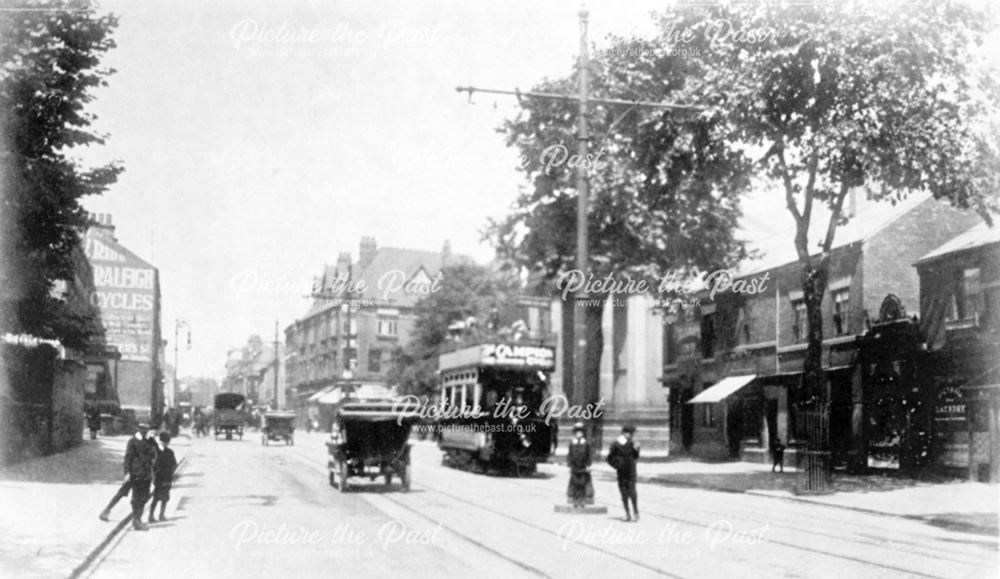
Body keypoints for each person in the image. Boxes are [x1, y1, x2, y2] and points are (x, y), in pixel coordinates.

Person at [99, 423, 157, 530]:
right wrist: (127, 473)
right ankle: (135, 520)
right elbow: (127, 459)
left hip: (146, 473)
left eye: (146, 429)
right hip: (135, 473)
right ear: (138, 429)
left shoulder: (150, 441)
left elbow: (155, 454)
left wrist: (153, 441)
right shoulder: (133, 441)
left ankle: (136, 519)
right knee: (127, 494)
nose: (144, 431)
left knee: (143, 497)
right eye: (142, 429)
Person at [607, 423, 640, 522]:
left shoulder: (632, 443)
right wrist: (617, 465)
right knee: (625, 492)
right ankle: (629, 513)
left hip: (630, 470)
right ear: (626, 433)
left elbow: (635, 456)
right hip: (623, 471)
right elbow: (609, 458)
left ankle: (633, 512)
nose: (632, 435)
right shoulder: (616, 444)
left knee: (630, 491)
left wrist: (637, 450)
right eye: (631, 433)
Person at [149, 432, 178, 523]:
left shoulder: (166, 451)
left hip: (163, 478)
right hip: (161, 478)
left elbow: (174, 464)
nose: (166, 443)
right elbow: (174, 465)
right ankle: (155, 515)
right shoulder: (159, 451)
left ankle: (157, 515)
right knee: (159, 497)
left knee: (162, 497)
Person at [566, 422, 593, 508]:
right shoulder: (572, 443)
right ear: (575, 433)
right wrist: (569, 464)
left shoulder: (586, 443)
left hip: (583, 467)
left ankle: (582, 500)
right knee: (575, 483)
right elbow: (570, 454)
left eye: (580, 432)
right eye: (577, 432)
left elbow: (589, 455)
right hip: (574, 467)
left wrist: (588, 465)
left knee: (582, 484)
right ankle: (575, 500)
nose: (579, 434)